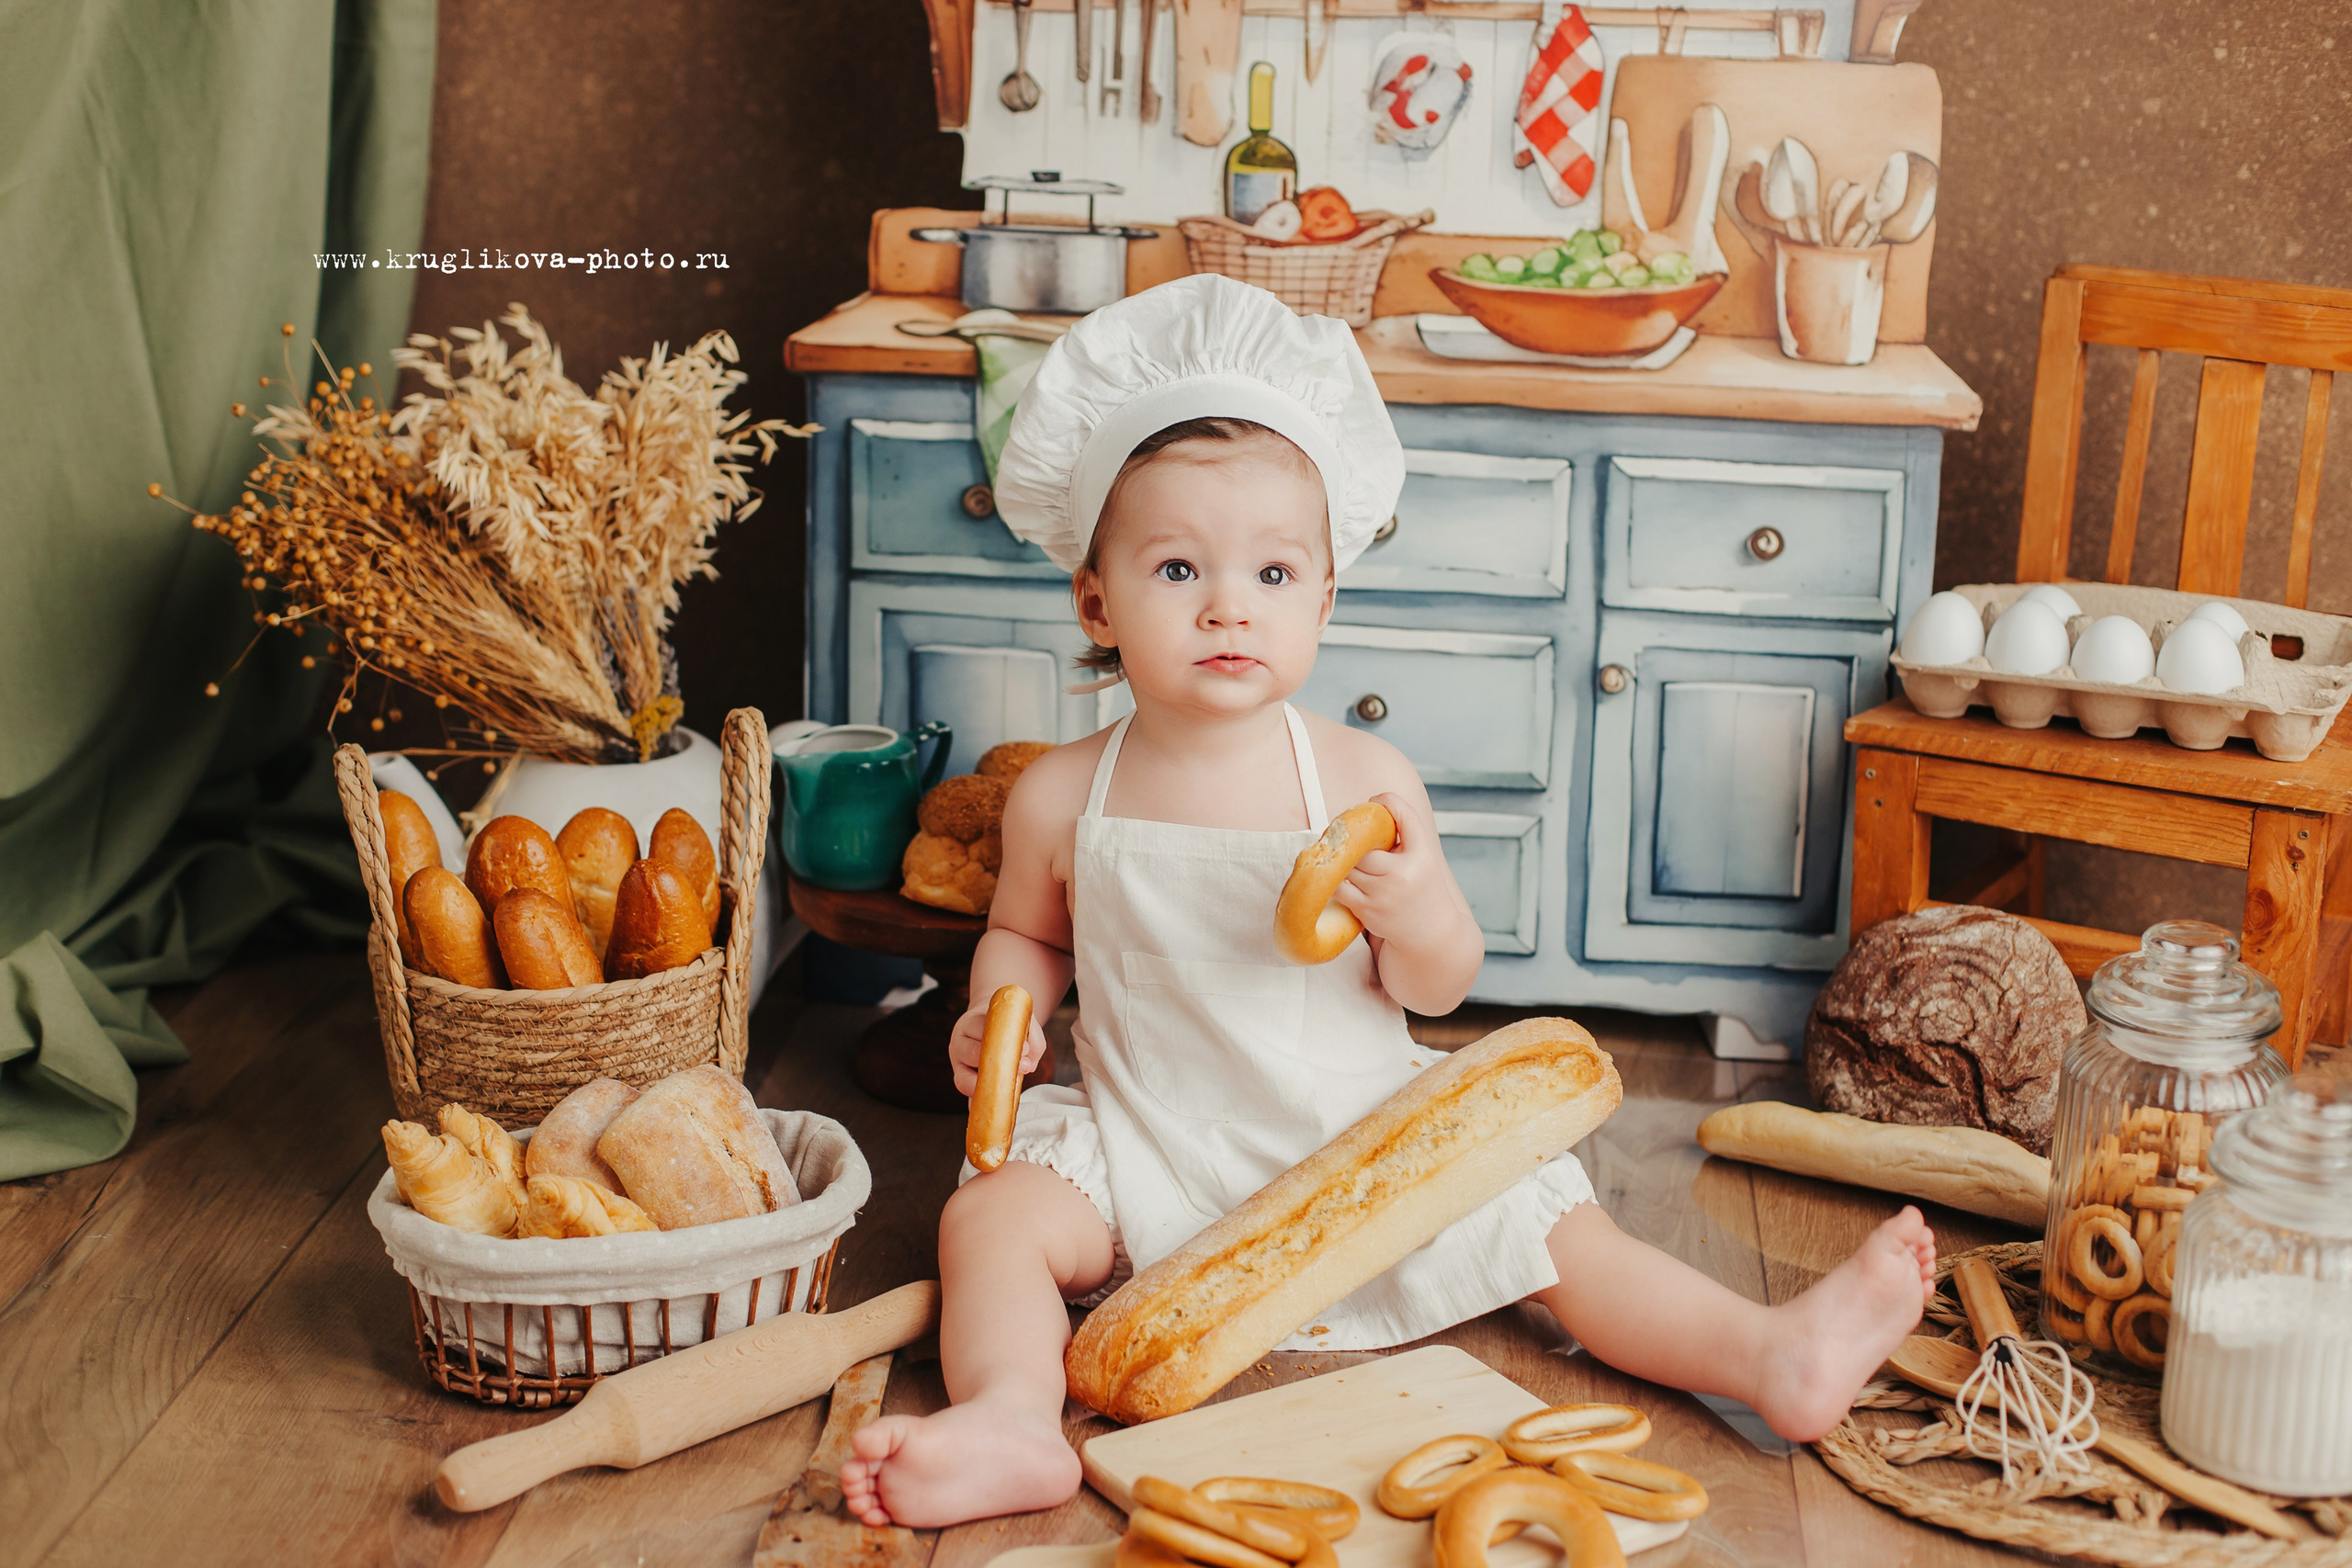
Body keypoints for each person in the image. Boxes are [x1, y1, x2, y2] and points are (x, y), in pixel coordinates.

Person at [841, 276, 1935, 1528]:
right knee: (990, 1219)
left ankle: (1766, 1357)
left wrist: (1415, 912)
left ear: (1324, 597)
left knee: (1559, 1239)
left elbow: (1439, 983)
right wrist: (1001, 1018)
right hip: (1148, 1142)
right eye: (1178, 567)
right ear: (1096, 599)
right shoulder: (1063, 796)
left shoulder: (1362, 781)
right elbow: (1028, 937)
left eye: (1271, 570)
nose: (1226, 604)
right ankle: (1013, 1422)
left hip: (1353, 1140)